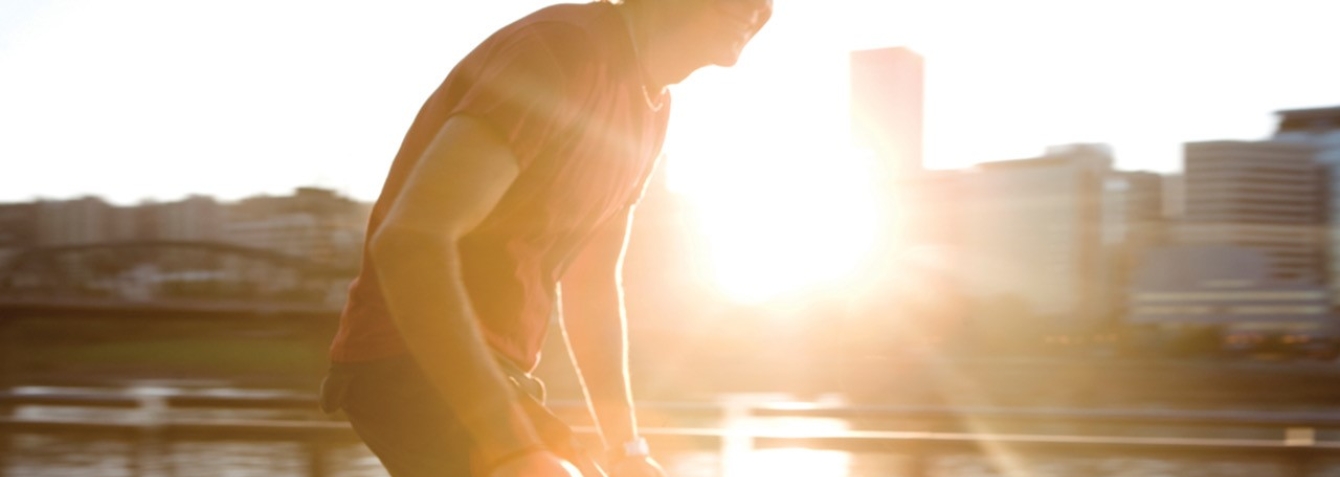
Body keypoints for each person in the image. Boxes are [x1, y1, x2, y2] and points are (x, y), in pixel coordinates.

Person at [320, 0, 773, 476]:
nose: (760, 6)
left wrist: (625, 450)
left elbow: (592, 286)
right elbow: (411, 240)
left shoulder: (651, 109)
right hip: (408, 361)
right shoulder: (559, 51)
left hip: (497, 369)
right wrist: (509, 445)